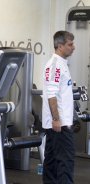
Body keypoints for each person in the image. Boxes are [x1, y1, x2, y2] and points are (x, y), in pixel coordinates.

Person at [42, 30, 75, 184]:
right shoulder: (55, 65)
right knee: (65, 162)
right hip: (59, 124)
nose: (73, 47)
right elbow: (51, 94)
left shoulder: (62, 64)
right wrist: (56, 119)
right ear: (60, 46)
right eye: (70, 44)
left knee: (52, 162)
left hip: (61, 122)